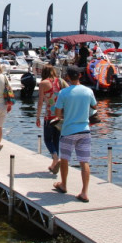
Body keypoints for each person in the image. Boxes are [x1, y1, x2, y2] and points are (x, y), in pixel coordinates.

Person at [52, 65, 97, 202]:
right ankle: (84, 192)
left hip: (68, 131)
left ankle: (64, 185)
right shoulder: (88, 91)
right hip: (84, 130)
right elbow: (94, 106)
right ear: (80, 76)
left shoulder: (63, 93)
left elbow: (58, 113)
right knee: (84, 162)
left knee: (65, 159)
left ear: (67, 77)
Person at [36, 64, 68, 175]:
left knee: (47, 140)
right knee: (56, 140)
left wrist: (38, 117)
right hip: (60, 116)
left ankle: (55, 158)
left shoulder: (43, 83)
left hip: (49, 116)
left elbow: (40, 102)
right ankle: (54, 165)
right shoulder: (60, 81)